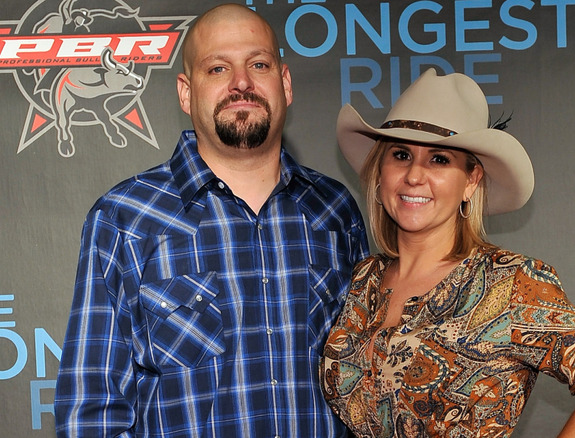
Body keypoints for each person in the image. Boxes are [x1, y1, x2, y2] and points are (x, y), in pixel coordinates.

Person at [54, 4, 368, 437]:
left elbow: (368, 384)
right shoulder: (126, 217)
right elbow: (92, 411)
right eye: (217, 69)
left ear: (286, 83)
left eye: (259, 64)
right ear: (186, 93)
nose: (242, 83)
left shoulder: (335, 210)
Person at [320, 69, 575, 437]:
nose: (414, 176)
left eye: (439, 159)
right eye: (401, 154)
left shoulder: (509, 282)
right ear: (381, 172)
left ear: (471, 181)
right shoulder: (364, 280)